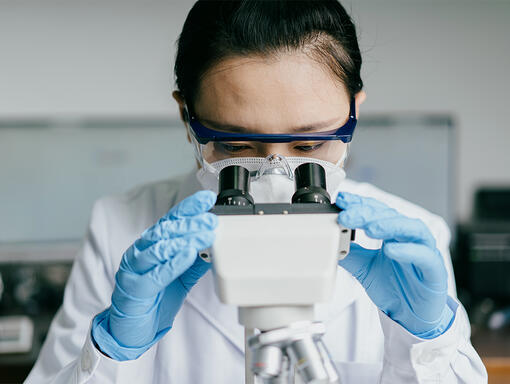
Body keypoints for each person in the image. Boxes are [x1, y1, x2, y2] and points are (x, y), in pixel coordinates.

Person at [26, 1, 487, 383]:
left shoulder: (412, 239)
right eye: (235, 145)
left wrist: (426, 341)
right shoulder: (119, 228)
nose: (275, 176)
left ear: (353, 112)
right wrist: (115, 352)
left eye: (308, 145)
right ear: (187, 117)